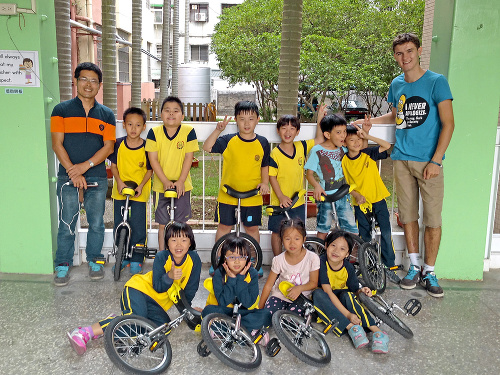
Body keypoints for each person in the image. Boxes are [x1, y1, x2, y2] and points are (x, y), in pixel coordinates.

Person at [360, 33, 454, 297]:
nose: (405, 57)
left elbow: (449, 123)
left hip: (429, 162)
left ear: (419, 51)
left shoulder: (436, 82)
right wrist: (369, 124)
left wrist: (436, 160)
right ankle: (414, 267)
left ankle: (430, 270)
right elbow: (396, 115)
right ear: (395, 56)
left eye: (410, 51)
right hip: (402, 158)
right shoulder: (396, 84)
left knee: (433, 219)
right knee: (408, 216)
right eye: (400, 53)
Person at [67, 222, 201, 355]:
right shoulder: (162, 257)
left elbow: (189, 291)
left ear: (190, 243)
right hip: (138, 290)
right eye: (174, 240)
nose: (179, 245)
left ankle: (115, 323)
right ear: (167, 243)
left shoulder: (194, 260)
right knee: (135, 321)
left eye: (184, 240)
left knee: (162, 329)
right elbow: (158, 287)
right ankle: (84, 332)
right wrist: (169, 276)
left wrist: (188, 311)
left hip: (157, 305)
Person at [51, 62, 115, 286]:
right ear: (76, 81)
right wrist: (73, 172)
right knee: (67, 222)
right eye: (84, 79)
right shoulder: (61, 110)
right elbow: (57, 145)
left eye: (94, 81)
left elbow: (108, 147)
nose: (89, 84)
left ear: (99, 86)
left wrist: (84, 167)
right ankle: (62, 264)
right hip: (67, 177)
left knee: (97, 222)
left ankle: (95, 260)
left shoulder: (106, 114)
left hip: (96, 176)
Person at [203, 101, 270, 277]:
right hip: (228, 194)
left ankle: (255, 260)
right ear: (236, 121)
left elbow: (265, 166)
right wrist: (218, 129)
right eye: (242, 119)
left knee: (252, 228)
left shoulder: (262, 142)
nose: (246, 123)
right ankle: (218, 259)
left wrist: (264, 183)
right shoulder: (228, 139)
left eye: (251, 119)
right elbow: (207, 147)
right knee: (224, 226)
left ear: (257, 120)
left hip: (252, 195)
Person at [312, 230, 389, 354]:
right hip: (328, 301)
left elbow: (355, 290)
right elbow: (328, 292)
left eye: (342, 249)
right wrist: (348, 315)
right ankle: (352, 328)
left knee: (348, 296)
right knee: (318, 295)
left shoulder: (348, 267)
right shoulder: (321, 263)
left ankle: (378, 332)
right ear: (326, 246)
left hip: (343, 299)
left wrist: (362, 290)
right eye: (333, 245)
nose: (336, 251)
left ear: (347, 254)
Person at [341, 123, 400, 283]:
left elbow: (387, 146)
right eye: (351, 140)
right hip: (360, 204)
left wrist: (367, 135)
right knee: (365, 237)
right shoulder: (344, 161)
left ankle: (390, 267)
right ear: (345, 143)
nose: (356, 143)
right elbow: (344, 183)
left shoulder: (368, 153)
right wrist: (356, 194)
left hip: (378, 199)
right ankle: (371, 266)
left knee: (386, 234)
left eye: (358, 139)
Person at [146, 96, 199, 252]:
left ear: (182, 116)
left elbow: (189, 157)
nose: (171, 114)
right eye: (167, 110)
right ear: (161, 114)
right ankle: (163, 256)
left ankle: (181, 255)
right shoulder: (154, 132)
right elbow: (153, 159)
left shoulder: (188, 131)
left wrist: (181, 181)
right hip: (160, 186)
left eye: (176, 111)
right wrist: (164, 181)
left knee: (181, 224)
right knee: (163, 224)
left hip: (183, 186)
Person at [268, 114, 324, 256]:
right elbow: (271, 176)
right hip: (279, 203)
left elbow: (319, 139)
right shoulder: (274, 153)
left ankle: (296, 261)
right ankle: (277, 262)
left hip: (297, 201)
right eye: (284, 128)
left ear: (297, 131)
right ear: (278, 131)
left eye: (292, 129)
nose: (288, 132)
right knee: (277, 232)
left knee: (297, 231)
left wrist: (319, 121)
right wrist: (280, 196)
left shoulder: (301, 146)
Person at [202, 235, 272, 343]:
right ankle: (249, 333)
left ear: (247, 258)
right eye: (232, 257)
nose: (237, 261)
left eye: (241, 257)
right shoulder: (219, 274)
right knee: (207, 311)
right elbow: (223, 302)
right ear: (224, 258)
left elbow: (248, 303)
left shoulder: (252, 273)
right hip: (226, 312)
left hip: (245, 313)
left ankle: (223, 331)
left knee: (266, 315)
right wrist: (231, 279)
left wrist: (239, 279)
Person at [108, 107, 153, 275]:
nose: (133, 129)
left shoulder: (147, 147)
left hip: (139, 193)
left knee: (138, 226)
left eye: (138, 125)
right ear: (124, 126)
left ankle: (136, 258)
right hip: (120, 191)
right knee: (119, 223)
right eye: (130, 124)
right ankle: (122, 257)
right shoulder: (118, 144)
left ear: (144, 127)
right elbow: (113, 166)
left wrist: (140, 186)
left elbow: (149, 170)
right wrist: (118, 182)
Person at [304, 114, 359, 240]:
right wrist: (317, 186)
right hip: (325, 197)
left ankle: (352, 257)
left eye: (344, 131)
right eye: (339, 132)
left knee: (352, 230)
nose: (343, 135)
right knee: (323, 228)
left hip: (343, 195)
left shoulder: (343, 150)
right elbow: (309, 174)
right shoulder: (317, 151)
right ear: (328, 135)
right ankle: (320, 254)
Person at [259, 219, 320, 316]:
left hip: (301, 297)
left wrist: (299, 288)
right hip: (280, 295)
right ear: (282, 240)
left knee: (292, 320)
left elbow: (313, 283)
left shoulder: (312, 258)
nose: (292, 243)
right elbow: (268, 285)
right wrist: (260, 309)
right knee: (267, 315)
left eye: (297, 239)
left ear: (304, 239)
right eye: (287, 239)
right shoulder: (278, 260)